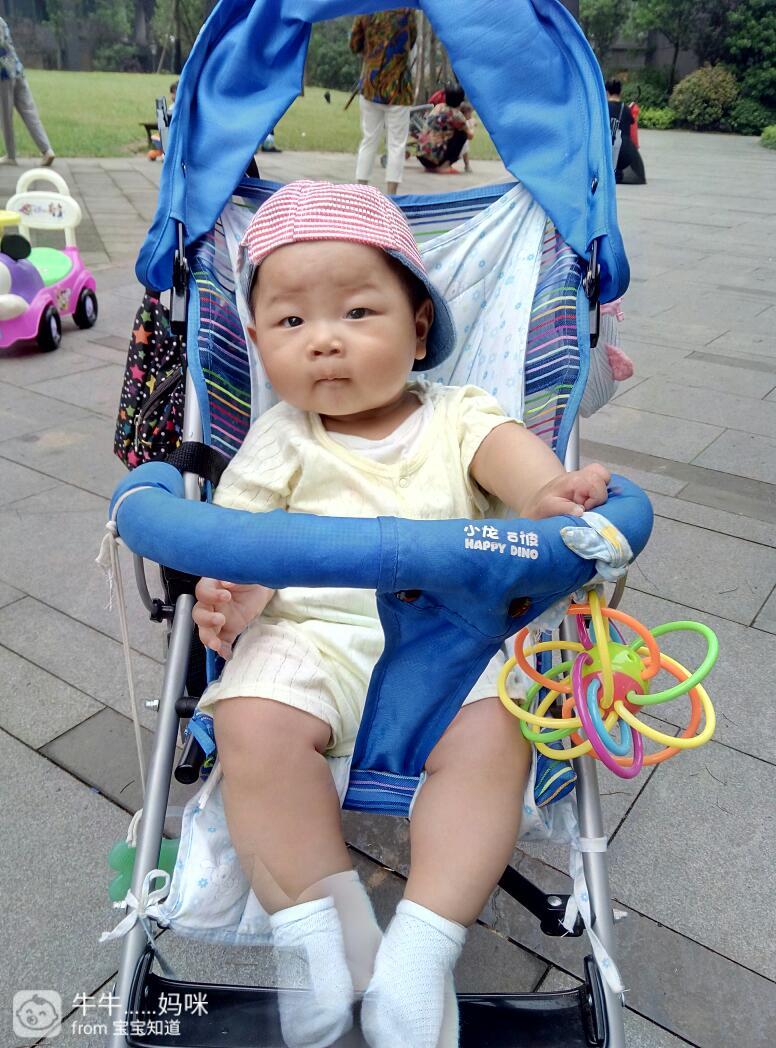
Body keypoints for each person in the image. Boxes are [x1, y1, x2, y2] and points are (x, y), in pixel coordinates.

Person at [192, 180, 611, 1048]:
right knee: (250, 723)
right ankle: (324, 936)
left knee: (500, 733)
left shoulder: (458, 417)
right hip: (307, 639)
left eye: (357, 311)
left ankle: (422, 946)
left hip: (448, 644)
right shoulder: (279, 437)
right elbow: (242, 542)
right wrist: (234, 594)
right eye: (291, 321)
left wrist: (551, 496)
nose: (325, 339)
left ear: (419, 329)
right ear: (259, 342)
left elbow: (521, 471)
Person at [350, 9, 417, 195]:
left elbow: (354, 45)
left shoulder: (366, 9)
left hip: (371, 85)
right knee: (396, 145)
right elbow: (411, 41)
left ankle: (360, 191)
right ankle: (392, 196)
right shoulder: (407, 10)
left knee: (369, 139)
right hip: (399, 88)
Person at [0, 16, 54, 167]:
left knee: (5, 117)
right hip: (15, 68)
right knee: (29, 111)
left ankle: (11, 156)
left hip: (3, 74)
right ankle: (47, 150)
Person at [415, 84, 472, 174]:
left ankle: (431, 167)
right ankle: (444, 166)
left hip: (421, 155)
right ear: (461, 100)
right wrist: (471, 124)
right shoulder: (456, 115)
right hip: (434, 157)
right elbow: (470, 136)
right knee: (462, 135)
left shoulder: (439, 107)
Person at [606, 78, 646, 185]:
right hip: (626, 152)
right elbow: (631, 121)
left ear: (607, 92)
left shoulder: (604, 108)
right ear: (620, 92)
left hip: (610, 150)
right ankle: (617, 173)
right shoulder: (626, 109)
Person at [459, 101, 476, 173]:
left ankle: (467, 165)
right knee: (465, 149)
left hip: (462, 144)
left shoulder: (466, 120)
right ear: (465, 113)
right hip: (460, 145)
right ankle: (467, 165)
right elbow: (470, 136)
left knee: (465, 150)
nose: (471, 115)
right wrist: (472, 126)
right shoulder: (463, 122)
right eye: (470, 113)